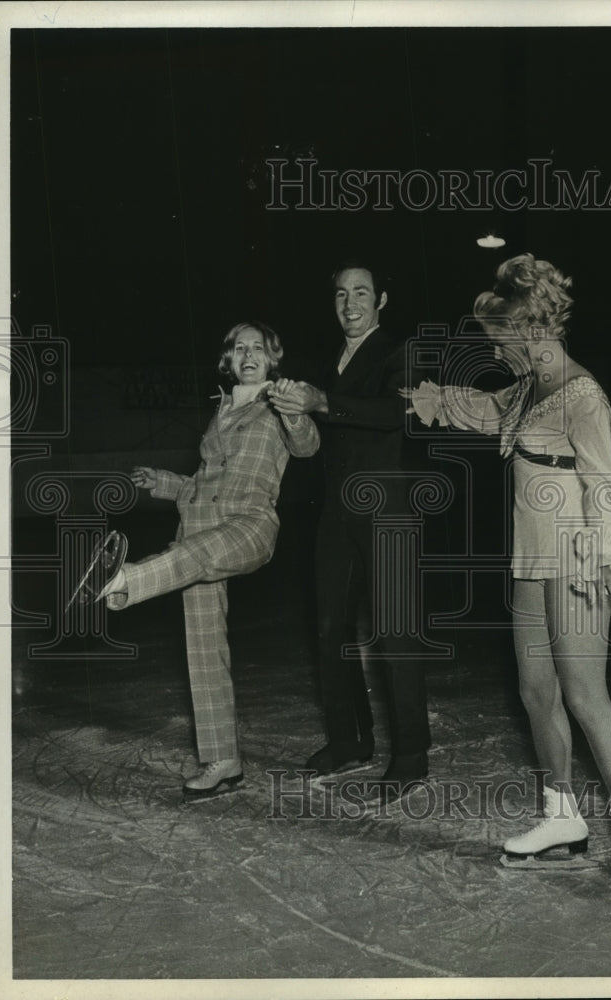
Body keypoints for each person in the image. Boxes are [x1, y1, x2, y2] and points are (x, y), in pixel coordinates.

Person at [404, 253, 611, 899]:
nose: (494, 349)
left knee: (582, 694)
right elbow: (487, 409)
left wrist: (603, 559)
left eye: (498, 339)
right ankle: (560, 814)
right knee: (535, 690)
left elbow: (601, 483)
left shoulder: (583, 397)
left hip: (573, 553)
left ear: (530, 330)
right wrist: (423, 399)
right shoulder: (523, 389)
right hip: (529, 557)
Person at [69, 322, 319, 799]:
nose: (248, 355)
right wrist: (163, 482)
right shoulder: (221, 409)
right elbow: (204, 483)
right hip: (200, 523)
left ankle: (122, 579)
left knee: (195, 554)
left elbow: (307, 444)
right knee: (204, 648)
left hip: (249, 526)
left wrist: (294, 408)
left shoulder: (280, 405)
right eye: (239, 348)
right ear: (228, 360)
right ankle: (223, 761)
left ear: (272, 358)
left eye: (258, 348)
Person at [268, 259, 431, 802]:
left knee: (395, 634)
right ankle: (349, 740)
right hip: (336, 511)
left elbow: (395, 414)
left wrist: (322, 401)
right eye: (341, 294)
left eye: (361, 292)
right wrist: (297, 409)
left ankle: (410, 754)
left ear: (381, 300)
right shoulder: (332, 357)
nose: (350, 303)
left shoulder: (398, 350)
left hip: (388, 513)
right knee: (329, 625)